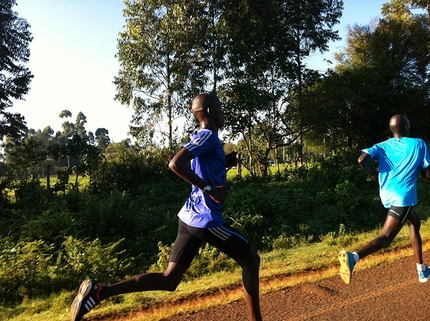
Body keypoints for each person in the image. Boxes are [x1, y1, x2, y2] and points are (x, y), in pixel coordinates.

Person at [70, 93, 263, 321]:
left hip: (189, 217)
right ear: (210, 112)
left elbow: (199, 165)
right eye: (220, 110)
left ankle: (100, 291)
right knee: (251, 261)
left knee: (169, 280)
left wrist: (224, 162)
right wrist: (211, 189)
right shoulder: (208, 136)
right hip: (206, 220)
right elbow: (176, 163)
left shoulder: (205, 139)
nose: (223, 114)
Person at [339, 114, 430, 284]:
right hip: (402, 197)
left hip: (387, 194)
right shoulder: (418, 143)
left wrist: (373, 174)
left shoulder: (382, 145)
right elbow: (427, 174)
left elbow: (361, 160)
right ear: (406, 128)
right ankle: (353, 258)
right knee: (386, 238)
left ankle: (422, 270)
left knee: (415, 222)